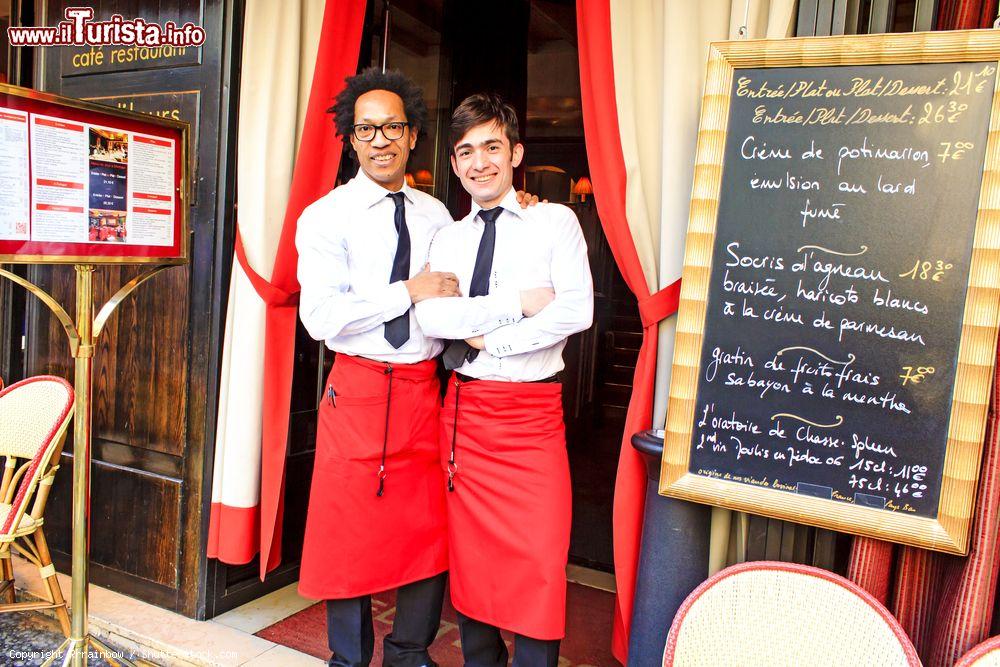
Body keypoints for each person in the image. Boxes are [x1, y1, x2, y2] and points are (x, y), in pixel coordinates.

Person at [296, 69, 539, 667]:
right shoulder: (325, 217)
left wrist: (523, 207)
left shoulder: (439, 217)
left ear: (412, 136)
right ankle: (349, 660)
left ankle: (409, 653)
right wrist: (406, 290)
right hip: (355, 388)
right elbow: (322, 318)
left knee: (429, 533)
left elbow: (493, 248)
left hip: (424, 392)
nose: (380, 140)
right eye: (367, 129)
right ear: (351, 139)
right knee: (347, 538)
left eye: (393, 127)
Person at [414, 93, 594, 667]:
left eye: (492, 147)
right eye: (465, 151)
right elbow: (435, 319)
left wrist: (492, 338)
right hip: (465, 417)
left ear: (515, 153)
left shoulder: (554, 221)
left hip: (532, 420)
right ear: (454, 163)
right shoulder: (448, 238)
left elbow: (575, 312)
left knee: (539, 563)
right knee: (473, 560)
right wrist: (518, 304)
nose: (478, 162)